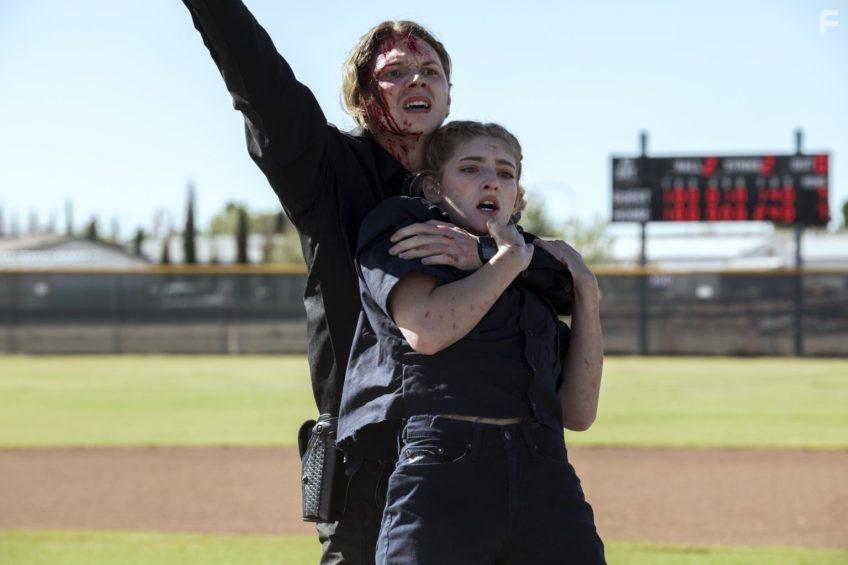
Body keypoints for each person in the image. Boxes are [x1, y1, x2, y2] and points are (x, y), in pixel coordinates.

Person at [182, 3, 557, 562]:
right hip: (371, 451)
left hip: (478, 449)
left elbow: (556, 282)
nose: (416, 80)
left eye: (430, 71)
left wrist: (483, 253)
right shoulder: (328, 169)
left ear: (449, 93)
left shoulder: (473, 183)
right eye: (395, 72)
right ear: (363, 95)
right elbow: (259, 81)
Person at [338, 121, 605, 564]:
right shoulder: (410, 227)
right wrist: (507, 261)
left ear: (517, 197)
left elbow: (579, 413)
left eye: (505, 172)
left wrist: (587, 296)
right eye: (471, 168)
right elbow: (427, 329)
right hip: (445, 463)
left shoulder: (536, 278)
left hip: (544, 466)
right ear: (432, 186)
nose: (490, 181)